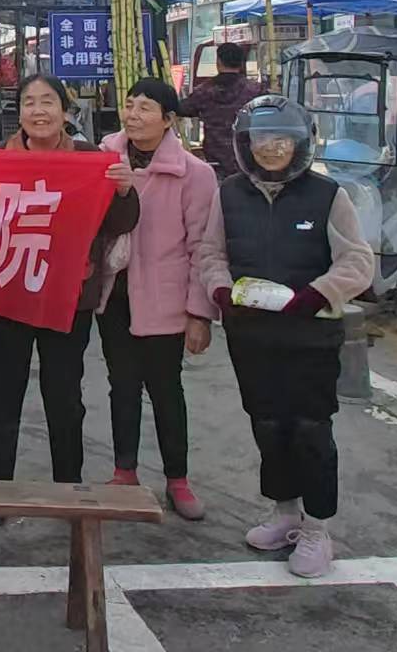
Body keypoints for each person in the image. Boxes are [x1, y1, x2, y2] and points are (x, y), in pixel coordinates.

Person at [214, 94, 377, 579]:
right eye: (261, 139)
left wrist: (317, 294)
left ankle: (317, 528)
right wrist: (218, 289)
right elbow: (209, 253)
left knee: (310, 428)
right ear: (246, 143)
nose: (271, 148)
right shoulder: (228, 194)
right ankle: (284, 512)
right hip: (251, 333)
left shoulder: (327, 195)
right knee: (267, 423)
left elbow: (358, 262)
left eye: (282, 139)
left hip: (310, 334)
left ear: (301, 143)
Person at [0, 75, 132, 520]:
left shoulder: (90, 159)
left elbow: (121, 223)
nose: (38, 111)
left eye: (48, 102)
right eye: (29, 102)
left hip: (68, 295)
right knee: (3, 393)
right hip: (8, 294)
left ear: (66, 111)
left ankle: (69, 489)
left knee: (64, 395)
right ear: (19, 113)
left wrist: (124, 191)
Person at [93, 78, 222, 521]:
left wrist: (199, 313)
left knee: (166, 389)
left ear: (168, 120)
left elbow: (203, 247)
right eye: (129, 105)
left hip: (165, 299)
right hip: (115, 296)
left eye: (145, 108)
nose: (133, 115)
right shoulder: (104, 159)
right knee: (122, 386)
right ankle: (124, 471)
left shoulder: (195, 175)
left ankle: (177, 479)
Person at [183, 43, 269, 173]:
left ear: (218, 62)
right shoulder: (256, 91)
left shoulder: (203, 91)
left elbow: (183, 108)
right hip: (247, 160)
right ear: (241, 63)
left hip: (215, 161)